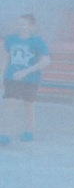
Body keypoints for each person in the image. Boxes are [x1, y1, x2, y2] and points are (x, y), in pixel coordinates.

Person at [2, 13, 48, 145]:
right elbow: (5, 58)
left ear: (31, 26)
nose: (20, 27)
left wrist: (26, 71)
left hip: (30, 80)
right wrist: (2, 75)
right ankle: (5, 133)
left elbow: (45, 61)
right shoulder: (11, 39)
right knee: (8, 105)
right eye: (18, 24)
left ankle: (29, 131)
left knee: (28, 106)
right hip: (12, 78)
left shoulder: (37, 42)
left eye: (23, 24)